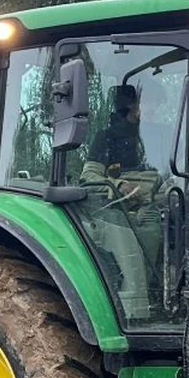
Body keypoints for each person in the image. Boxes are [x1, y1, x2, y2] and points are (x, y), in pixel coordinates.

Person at [77, 84, 163, 323]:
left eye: (159, 103)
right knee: (138, 250)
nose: (157, 108)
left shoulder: (162, 136)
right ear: (130, 106)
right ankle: (136, 312)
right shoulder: (107, 138)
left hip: (161, 201)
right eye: (151, 103)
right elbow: (90, 177)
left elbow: (170, 175)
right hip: (118, 208)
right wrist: (119, 186)